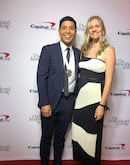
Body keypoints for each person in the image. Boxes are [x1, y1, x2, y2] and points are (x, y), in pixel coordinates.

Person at [72, 16, 116, 165]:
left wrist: (102, 105)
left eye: (97, 26)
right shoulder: (83, 49)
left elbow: (109, 80)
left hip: (95, 101)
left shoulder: (109, 50)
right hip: (80, 101)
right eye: (91, 27)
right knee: (79, 136)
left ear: (102, 29)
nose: (94, 29)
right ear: (88, 31)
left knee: (92, 138)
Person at [37, 16, 80, 165]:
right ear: (59, 30)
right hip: (50, 101)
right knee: (46, 138)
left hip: (68, 102)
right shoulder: (48, 50)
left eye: (71, 28)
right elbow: (41, 77)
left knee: (60, 138)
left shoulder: (78, 53)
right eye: (64, 27)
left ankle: (57, 163)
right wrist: (44, 102)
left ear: (75, 31)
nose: (68, 31)